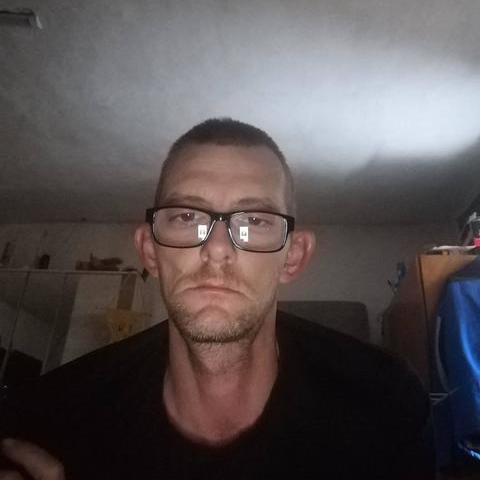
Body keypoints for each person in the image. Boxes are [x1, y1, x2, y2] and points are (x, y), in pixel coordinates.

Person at [0, 118, 434, 479]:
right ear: (150, 250)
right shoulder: (51, 418)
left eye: (255, 220)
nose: (218, 249)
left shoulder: (384, 401)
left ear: (293, 256)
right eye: (187, 216)